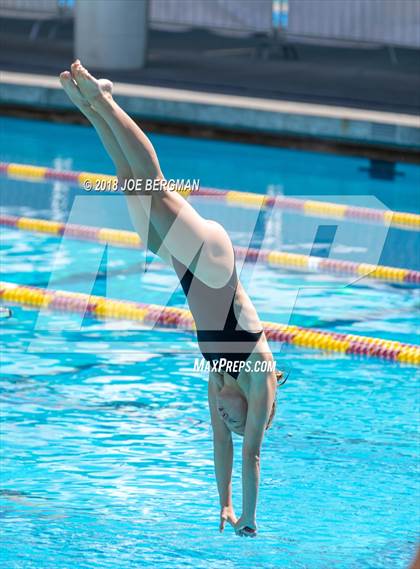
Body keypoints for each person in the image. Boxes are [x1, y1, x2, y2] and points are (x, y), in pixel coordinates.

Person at [60, 61, 284, 537]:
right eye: (234, 418)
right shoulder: (257, 374)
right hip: (214, 264)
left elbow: (220, 444)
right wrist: (248, 518)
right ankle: (104, 98)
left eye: (227, 418)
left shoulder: (218, 379)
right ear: (251, 410)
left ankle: (90, 108)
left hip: (189, 271)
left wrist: (222, 504)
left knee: (130, 182)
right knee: (154, 187)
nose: (224, 418)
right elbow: (249, 453)